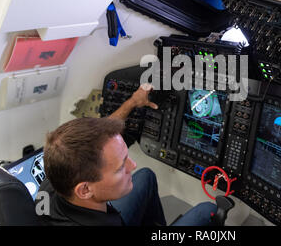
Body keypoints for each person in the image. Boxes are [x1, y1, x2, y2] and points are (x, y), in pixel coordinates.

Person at [36, 84, 217, 226]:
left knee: (145, 176)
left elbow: (101, 134)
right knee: (207, 210)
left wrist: (132, 102)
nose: (132, 165)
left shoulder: (55, 177)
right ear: (85, 190)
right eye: (121, 166)